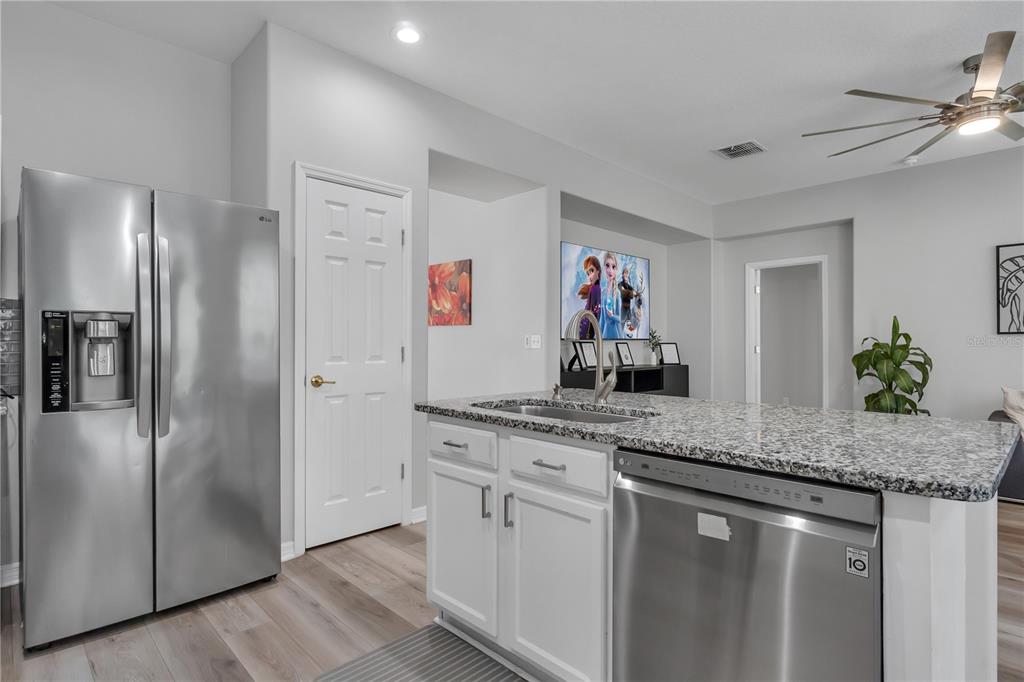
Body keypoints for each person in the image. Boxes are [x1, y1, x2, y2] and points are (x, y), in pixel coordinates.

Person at [576, 254, 601, 338]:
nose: (590, 276)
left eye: (592, 271)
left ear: (598, 270)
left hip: (587, 330)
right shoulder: (595, 288)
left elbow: (594, 312)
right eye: (588, 273)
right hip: (587, 328)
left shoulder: (595, 288)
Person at [599, 252, 622, 340]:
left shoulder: (617, 292)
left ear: (616, 270)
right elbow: (602, 318)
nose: (610, 270)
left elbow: (620, 319)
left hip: (616, 334)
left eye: (613, 267)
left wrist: (612, 316)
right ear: (604, 268)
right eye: (607, 266)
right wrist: (597, 336)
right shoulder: (603, 292)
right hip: (605, 334)